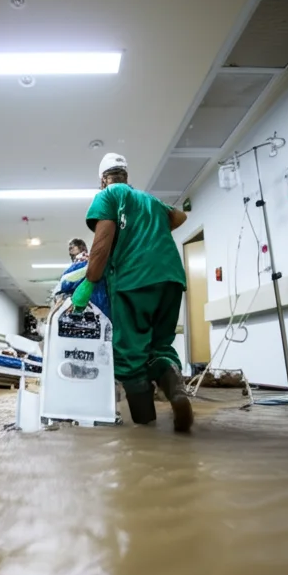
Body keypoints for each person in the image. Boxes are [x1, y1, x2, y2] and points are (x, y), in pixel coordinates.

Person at [71, 152, 193, 431]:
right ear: (126, 175)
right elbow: (179, 216)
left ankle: (145, 423)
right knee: (160, 345)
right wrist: (147, 224)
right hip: (171, 278)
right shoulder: (149, 200)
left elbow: (101, 244)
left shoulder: (108, 195)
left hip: (134, 280)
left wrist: (89, 282)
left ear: (104, 179)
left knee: (129, 353)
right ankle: (176, 390)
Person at [51, 237, 110, 318]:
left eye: (73, 246)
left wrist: (58, 290)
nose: (70, 249)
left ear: (81, 247)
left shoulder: (83, 263)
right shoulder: (87, 262)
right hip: (99, 303)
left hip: (91, 303)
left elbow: (66, 283)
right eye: (70, 247)